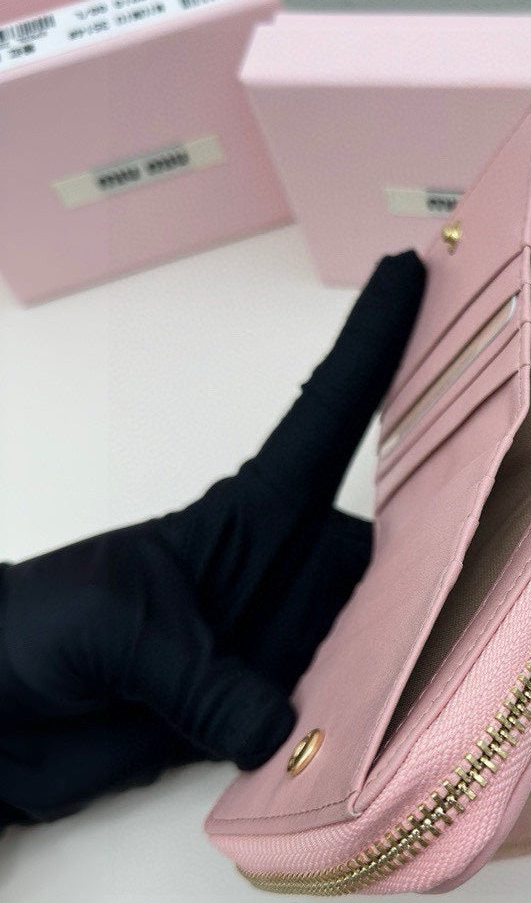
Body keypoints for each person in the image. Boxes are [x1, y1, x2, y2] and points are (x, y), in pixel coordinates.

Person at [0, 251, 426, 828]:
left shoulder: (65, 618)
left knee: (382, 330)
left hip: (365, 645)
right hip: (372, 645)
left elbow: (259, 729)